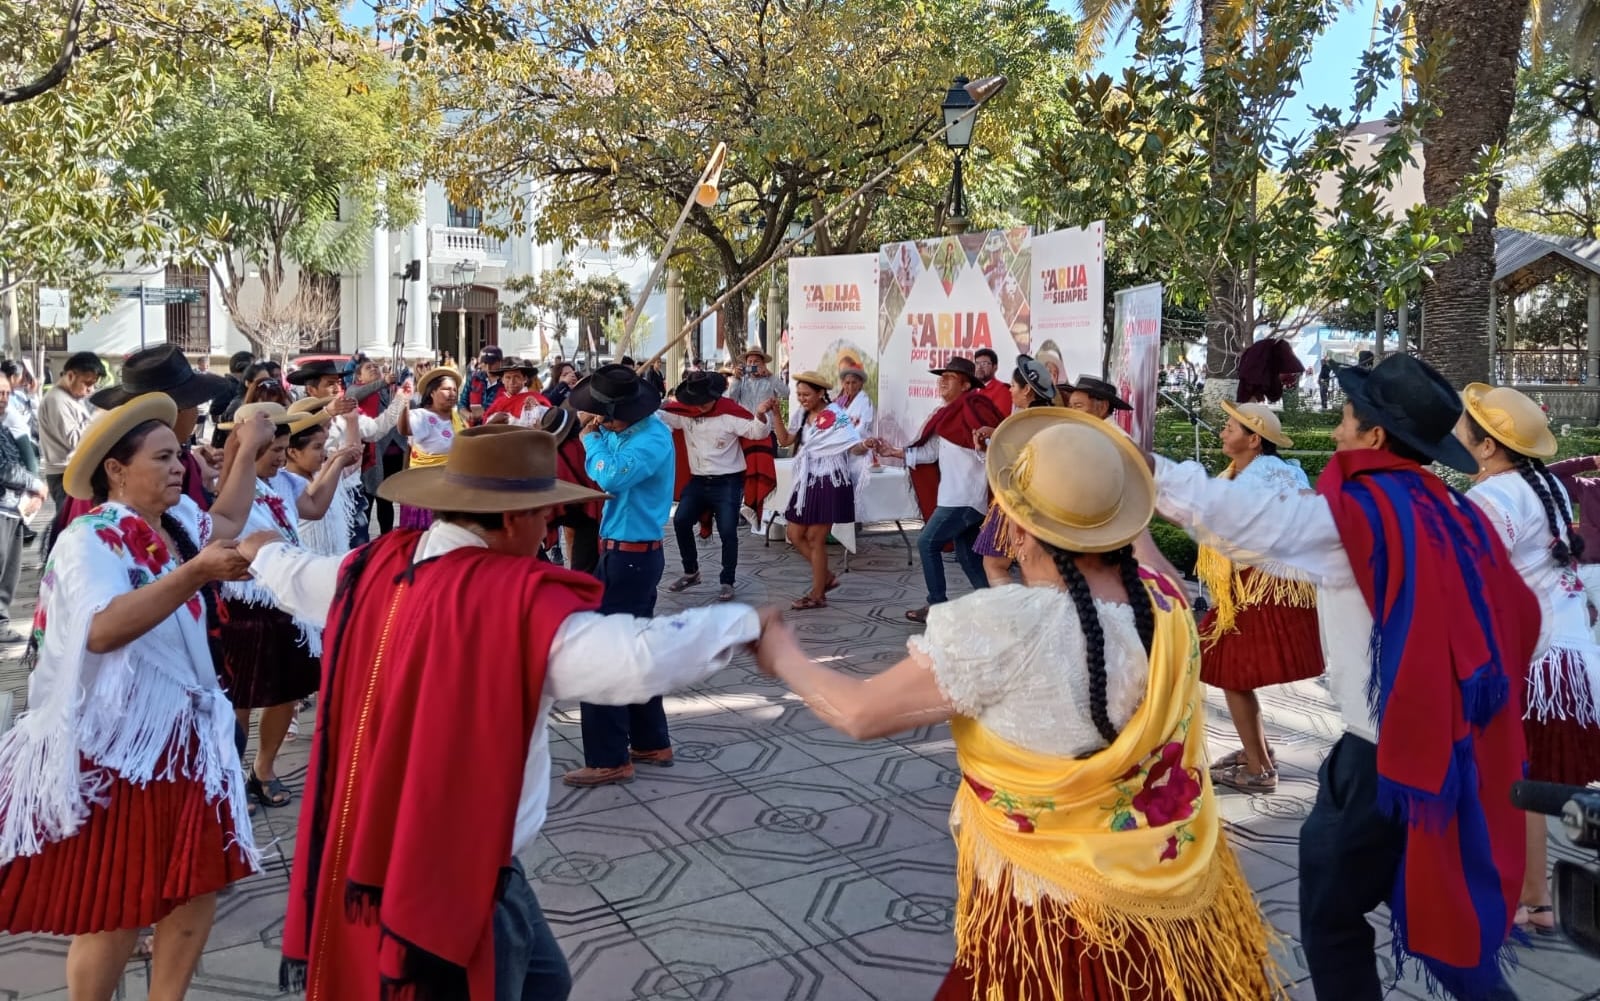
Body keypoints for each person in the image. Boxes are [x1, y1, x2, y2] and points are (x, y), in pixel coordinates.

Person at [755, 407, 1283, 1000]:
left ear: (1015, 521)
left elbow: (859, 711)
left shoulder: (1004, 627)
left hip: (1048, 923)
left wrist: (782, 653)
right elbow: (1136, 550)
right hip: (1170, 915)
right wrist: (1110, 490)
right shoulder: (1167, 604)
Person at [238, 425, 768, 1001]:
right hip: (461, 866)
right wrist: (749, 625)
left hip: (385, 833)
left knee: (545, 980)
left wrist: (257, 548)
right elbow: (636, 658)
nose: (547, 529)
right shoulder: (508, 602)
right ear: (514, 520)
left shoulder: (373, 565)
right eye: (543, 516)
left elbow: (293, 573)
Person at [1154, 354, 1539, 1001]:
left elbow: (1241, 522)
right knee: (1431, 893)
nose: (1335, 430)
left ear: (1377, 437)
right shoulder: (1444, 508)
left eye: (1346, 417)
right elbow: (1519, 614)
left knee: (1332, 909)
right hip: (1447, 750)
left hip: (1385, 758)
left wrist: (1134, 468)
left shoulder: (1360, 514)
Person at [0, 393, 266, 998]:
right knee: (119, 904)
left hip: (189, 745)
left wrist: (247, 451)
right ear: (116, 470)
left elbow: (225, 521)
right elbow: (101, 628)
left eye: (180, 457)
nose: (181, 468)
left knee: (196, 888)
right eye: (164, 457)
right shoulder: (88, 538)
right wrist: (196, 573)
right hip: (125, 748)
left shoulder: (176, 524)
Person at [1456, 383, 1600, 937]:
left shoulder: (1494, 498)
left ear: (1489, 446)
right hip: (1566, 657)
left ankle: (1528, 898)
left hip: (1535, 662)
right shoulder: (1542, 486)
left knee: (1515, 779)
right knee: (1530, 779)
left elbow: (1469, 576)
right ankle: (1534, 898)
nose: (1457, 431)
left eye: (1466, 424)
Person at [1192, 402, 1323, 795]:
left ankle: (1259, 767)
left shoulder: (1270, 480)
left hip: (1264, 590)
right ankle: (1259, 750)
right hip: (1249, 588)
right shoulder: (1249, 474)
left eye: (1230, 428)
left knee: (1233, 673)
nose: (1222, 433)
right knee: (1231, 672)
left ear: (1254, 439)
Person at [564, 364, 679, 787]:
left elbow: (610, 474)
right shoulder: (627, 433)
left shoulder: (651, 440)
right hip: (617, 554)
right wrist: (598, 431)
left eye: (603, 412)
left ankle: (609, 756)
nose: (599, 419)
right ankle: (650, 740)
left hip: (633, 559)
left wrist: (591, 437)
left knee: (602, 654)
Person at [215, 402, 334, 810]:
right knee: (240, 698)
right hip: (245, 607)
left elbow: (314, 508)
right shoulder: (227, 485)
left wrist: (336, 462)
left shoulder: (283, 483)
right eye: (271, 451)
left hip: (286, 602)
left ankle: (263, 769)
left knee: (286, 692)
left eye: (283, 449)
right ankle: (229, 775)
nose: (280, 459)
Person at [868, 356, 1002, 624]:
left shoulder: (975, 408)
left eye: (950, 378)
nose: (942, 381)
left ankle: (937, 606)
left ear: (965, 385)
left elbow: (992, 451)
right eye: (942, 377)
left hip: (965, 498)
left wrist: (982, 445)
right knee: (967, 557)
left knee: (927, 542)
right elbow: (929, 453)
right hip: (955, 497)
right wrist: (894, 452)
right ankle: (996, 608)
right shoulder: (947, 415)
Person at [660, 371, 775, 601]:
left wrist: (761, 415)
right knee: (681, 521)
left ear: (714, 395)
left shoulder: (729, 413)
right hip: (698, 480)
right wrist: (642, 399)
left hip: (728, 482)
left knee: (728, 531)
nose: (700, 406)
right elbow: (661, 417)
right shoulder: (685, 413)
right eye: (696, 401)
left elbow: (756, 431)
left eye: (704, 401)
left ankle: (727, 580)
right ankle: (691, 571)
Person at [289, 358, 406, 548]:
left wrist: (400, 401)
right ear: (311, 390)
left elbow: (376, 429)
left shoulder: (347, 414)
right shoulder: (300, 419)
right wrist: (328, 414)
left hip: (352, 494)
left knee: (354, 548)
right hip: (314, 494)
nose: (337, 388)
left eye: (338, 382)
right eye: (330, 384)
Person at [772, 371, 865, 610]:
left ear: (821, 393)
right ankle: (825, 577)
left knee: (814, 538)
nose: (802, 399)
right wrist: (774, 414)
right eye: (799, 394)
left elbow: (853, 445)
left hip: (830, 480)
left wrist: (866, 445)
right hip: (807, 480)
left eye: (806, 394)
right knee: (793, 534)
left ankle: (817, 593)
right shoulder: (801, 415)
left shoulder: (836, 415)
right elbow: (784, 440)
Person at [971, 355, 1057, 586]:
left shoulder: (1022, 421)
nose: (1009, 389)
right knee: (1033, 568)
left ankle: (1014, 615)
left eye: (1013, 385)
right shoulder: (1051, 418)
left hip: (1017, 502)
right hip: (1047, 503)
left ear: (1027, 390)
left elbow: (1010, 464)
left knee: (995, 564)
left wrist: (994, 439)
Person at [39, 351, 106, 556]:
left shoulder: (69, 398)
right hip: (64, 473)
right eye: (86, 383)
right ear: (70, 376)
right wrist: (99, 416)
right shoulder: (57, 400)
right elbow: (75, 440)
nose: (89, 390)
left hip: (71, 471)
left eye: (93, 384)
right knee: (70, 526)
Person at [0, 370, 44, 644]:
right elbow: (4, 469)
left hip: (13, 507)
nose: (4, 399)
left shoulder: (4, 426)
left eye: (6, 393)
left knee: (10, 571)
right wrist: (35, 483)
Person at [398, 366, 465, 530]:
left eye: (455, 390)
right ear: (432, 393)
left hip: (453, 487)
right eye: (446, 389)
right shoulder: (422, 416)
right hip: (426, 489)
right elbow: (405, 430)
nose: (452, 394)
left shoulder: (456, 417)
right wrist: (404, 403)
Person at [540, 406, 604, 574]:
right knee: (585, 566)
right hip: (586, 512)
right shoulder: (580, 445)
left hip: (554, 511)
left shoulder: (547, 454)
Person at [485, 357, 551, 426]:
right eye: (508, 377)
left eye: (516, 377)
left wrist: (536, 410)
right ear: (502, 380)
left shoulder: (535, 399)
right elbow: (484, 429)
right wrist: (492, 422)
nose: (512, 382)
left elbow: (547, 420)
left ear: (525, 379)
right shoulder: (498, 402)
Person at [729, 348, 782, 415]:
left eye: (756, 361)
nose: (753, 364)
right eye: (750, 361)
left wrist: (770, 375)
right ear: (746, 364)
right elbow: (732, 399)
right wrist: (736, 379)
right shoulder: (741, 380)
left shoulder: (770, 379)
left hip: (766, 424)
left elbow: (785, 393)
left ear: (763, 363)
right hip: (747, 423)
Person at [462, 344, 506, 423]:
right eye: (485, 364)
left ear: (500, 362)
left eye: (492, 364)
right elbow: (462, 403)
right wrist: (468, 415)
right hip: (474, 429)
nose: (488, 368)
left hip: (497, 430)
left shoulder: (507, 382)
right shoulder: (473, 379)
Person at [1067, 375, 1133, 420]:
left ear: (1103, 407)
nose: (1071, 412)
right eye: (1070, 407)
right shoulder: (1095, 433)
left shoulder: (1116, 437)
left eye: (1078, 406)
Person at [972, 347, 1012, 418]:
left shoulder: (1002, 390)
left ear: (995, 367)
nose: (979, 367)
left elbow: (1001, 422)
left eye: (984, 364)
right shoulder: (971, 389)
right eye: (977, 363)